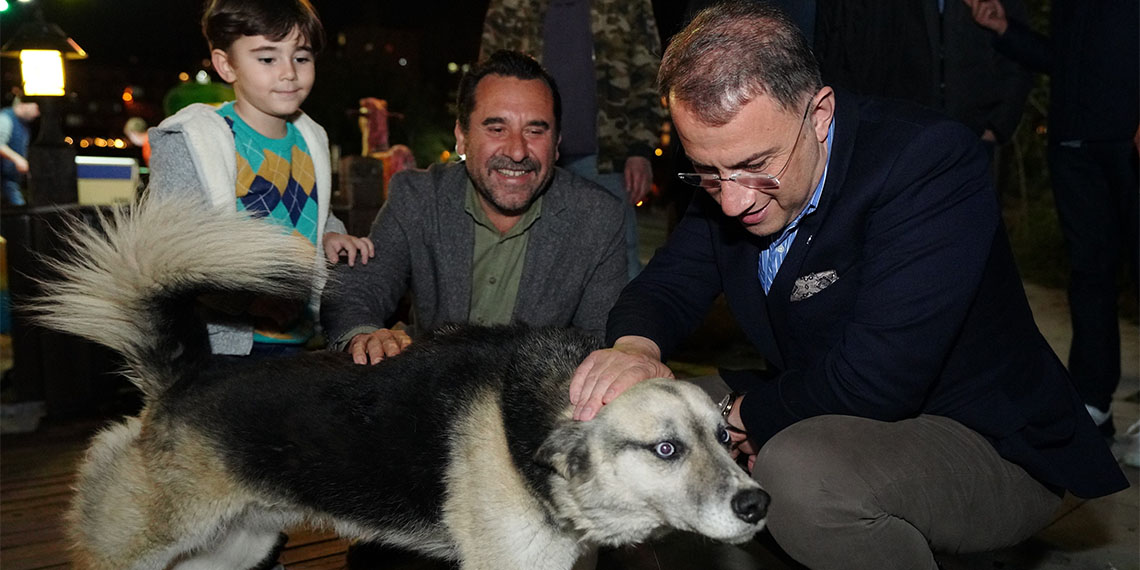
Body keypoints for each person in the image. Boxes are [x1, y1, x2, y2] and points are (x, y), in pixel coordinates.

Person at [567, 4, 1129, 569]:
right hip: (822, 401)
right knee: (629, 418)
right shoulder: (732, 173)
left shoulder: (927, 164)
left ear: (819, 114)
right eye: (708, 174)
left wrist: (740, 414)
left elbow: (877, 380)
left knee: (800, 475)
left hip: (989, 441)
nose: (733, 201)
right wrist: (634, 352)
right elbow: (667, 284)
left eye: (756, 165)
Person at [320, 49, 627, 366]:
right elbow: (360, 288)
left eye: (535, 131)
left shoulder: (598, 218)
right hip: (426, 394)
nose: (518, 151)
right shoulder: (419, 197)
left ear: (557, 143)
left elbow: (600, 342)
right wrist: (365, 335)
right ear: (462, 138)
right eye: (496, 129)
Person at [963, 0, 1140, 464]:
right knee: (1088, 275)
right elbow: (1063, 57)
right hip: (1075, 142)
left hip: (1130, 140)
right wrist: (1005, 29)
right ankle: (1093, 403)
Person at [147, 0, 373, 361]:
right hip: (221, 349)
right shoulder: (194, 141)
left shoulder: (311, 137)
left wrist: (332, 234)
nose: (288, 73)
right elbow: (171, 256)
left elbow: (313, 210)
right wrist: (248, 300)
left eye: (301, 58)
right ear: (226, 64)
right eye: (267, 59)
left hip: (303, 339)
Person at [480, 0, 668, 280]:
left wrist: (640, 150)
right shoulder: (510, 4)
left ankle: (621, 326)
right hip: (523, 161)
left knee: (617, 270)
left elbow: (648, 73)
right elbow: (487, 78)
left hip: (603, 161)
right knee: (522, 269)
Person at [814, 0, 1032, 155]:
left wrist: (998, 126)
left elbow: (1018, 48)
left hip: (973, 134)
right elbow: (847, 48)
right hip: (902, 135)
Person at [0, 99, 40, 207]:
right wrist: (17, 159)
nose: (37, 113)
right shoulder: (5, 118)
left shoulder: (24, 124)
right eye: (36, 108)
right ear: (23, 105)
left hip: (11, 178)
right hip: (4, 178)